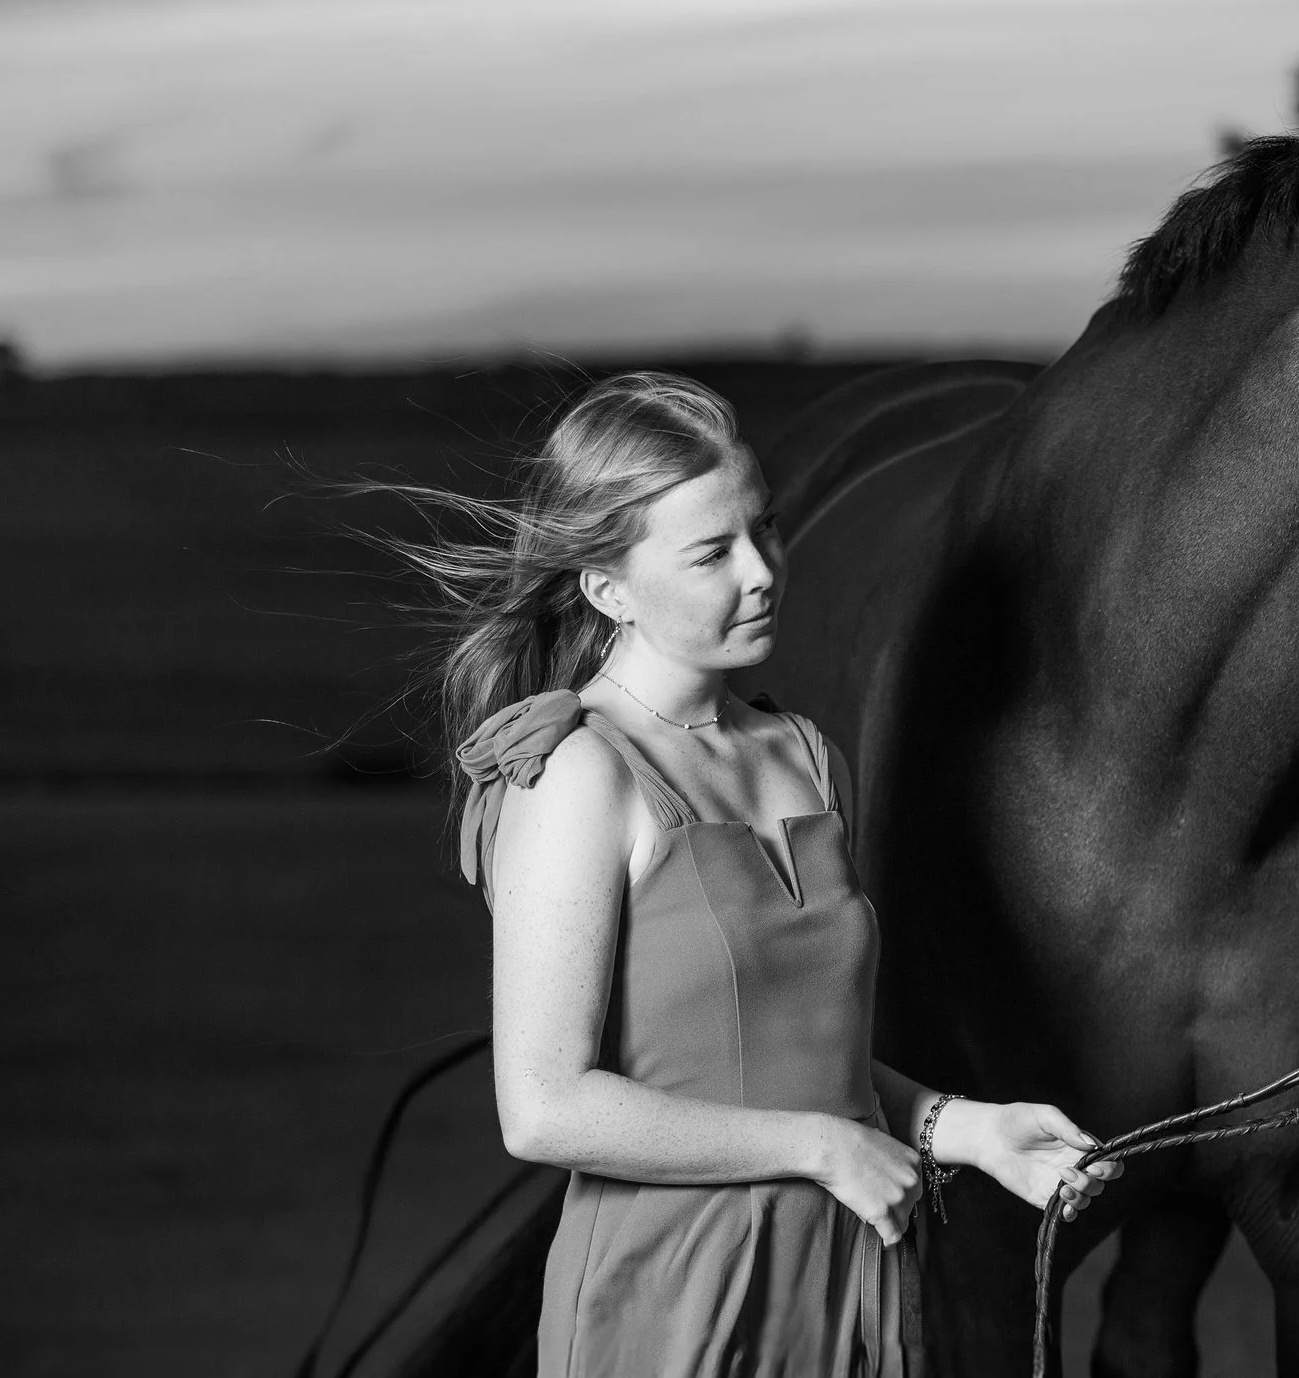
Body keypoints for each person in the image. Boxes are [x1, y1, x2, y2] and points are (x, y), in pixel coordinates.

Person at [417, 371, 1117, 1376]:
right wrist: (822, 1147)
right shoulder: (580, 773)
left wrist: (972, 1129)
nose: (762, 570)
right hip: (673, 1293)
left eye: (767, 527)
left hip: (849, 1267)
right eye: (712, 551)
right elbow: (543, 1108)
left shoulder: (803, 753)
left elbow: (809, 1059)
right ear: (608, 586)